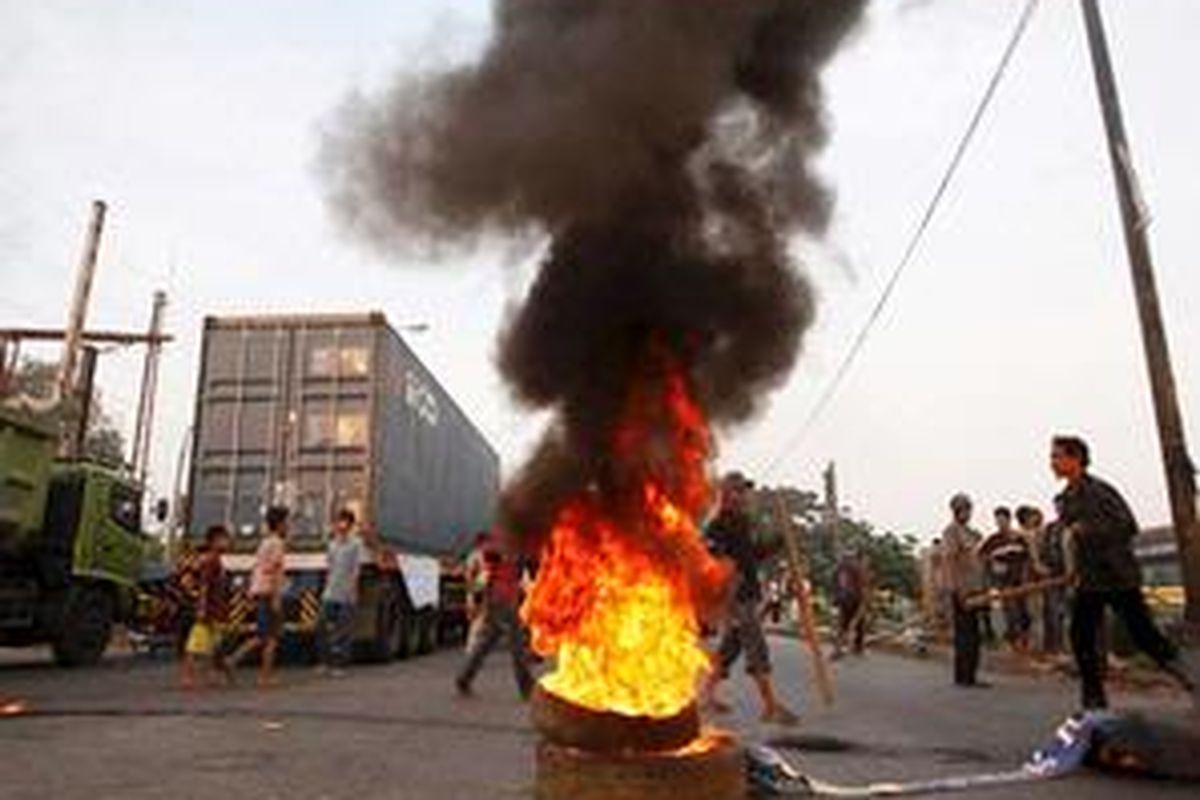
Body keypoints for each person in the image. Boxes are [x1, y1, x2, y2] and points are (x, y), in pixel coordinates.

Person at [1050, 435, 1197, 710]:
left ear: (1075, 459)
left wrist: (1088, 530)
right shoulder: (1066, 499)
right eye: (1053, 457)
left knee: (1144, 635)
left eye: (1057, 456)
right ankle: (1094, 700)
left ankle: (1188, 676)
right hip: (1089, 580)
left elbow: (1127, 525)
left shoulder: (1100, 491)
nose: (1053, 462)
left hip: (1117, 577)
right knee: (1080, 636)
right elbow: (1070, 540)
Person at [702, 472, 799, 725]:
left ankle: (706, 696)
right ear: (725, 494)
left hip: (748, 592)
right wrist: (724, 572)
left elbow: (752, 555)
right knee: (755, 643)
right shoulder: (718, 525)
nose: (743, 496)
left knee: (731, 647)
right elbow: (712, 559)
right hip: (735, 595)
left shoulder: (742, 522)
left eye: (744, 491)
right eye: (738, 491)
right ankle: (770, 705)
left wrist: (778, 542)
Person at [454, 530, 534, 700]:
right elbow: (488, 568)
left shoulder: (513, 553)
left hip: (501, 600)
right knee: (517, 645)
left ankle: (463, 679)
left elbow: (522, 571)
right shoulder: (499, 551)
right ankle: (527, 687)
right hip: (502, 600)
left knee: (486, 642)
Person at [228, 505, 289, 688]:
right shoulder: (277, 543)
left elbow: (259, 569)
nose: (288, 526)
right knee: (270, 638)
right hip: (269, 592)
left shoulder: (264, 543)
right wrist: (276, 596)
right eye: (286, 522)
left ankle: (234, 660)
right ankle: (263, 676)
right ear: (279, 524)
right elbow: (274, 570)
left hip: (259, 590)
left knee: (264, 635)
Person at [942, 492, 988, 688]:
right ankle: (964, 677)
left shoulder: (970, 532)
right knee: (965, 634)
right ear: (955, 510)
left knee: (974, 633)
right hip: (962, 589)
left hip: (975, 588)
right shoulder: (952, 532)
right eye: (963, 509)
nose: (966, 512)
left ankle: (970, 674)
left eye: (968, 508)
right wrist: (957, 588)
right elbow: (950, 561)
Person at [180, 525, 232, 689]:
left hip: (215, 610)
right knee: (195, 646)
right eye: (224, 539)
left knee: (211, 646)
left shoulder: (215, 560)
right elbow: (205, 586)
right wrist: (202, 608)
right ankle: (187, 677)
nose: (228, 543)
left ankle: (208, 676)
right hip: (208, 610)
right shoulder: (211, 561)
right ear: (214, 541)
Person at [317, 509, 367, 677]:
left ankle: (340, 665)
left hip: (347, 594)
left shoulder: (356, 544)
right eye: (339, 521)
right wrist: (326, 588)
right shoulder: (332, 544)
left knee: (342, 631)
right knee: (322, 626)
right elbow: (330, 568)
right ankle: (325, 662)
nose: (341, 524)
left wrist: (354, 590)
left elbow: (356, 570)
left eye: (344, 521)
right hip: (330, 592)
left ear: (350, 524)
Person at [980, 507, 1033, 654]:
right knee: (1010, 611)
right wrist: (992, 565)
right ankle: (1012, 642)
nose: (1000, 523)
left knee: (1024, 611)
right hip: (1003, 582)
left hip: (1020, 580)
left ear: (1009, 520)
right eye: (997, 521)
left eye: (1002, 520)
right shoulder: (993, 540)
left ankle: (1024, 640)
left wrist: (1026, 574)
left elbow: (1028, 557)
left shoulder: (1019, 538)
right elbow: (982, 557)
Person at [831, 549, 870, 659]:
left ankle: (840, 648)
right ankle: (855, 648)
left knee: (843, 625)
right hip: (854, 599)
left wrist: (835, 599)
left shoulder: (838, 569)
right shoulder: (856, 568)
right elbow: (862, 585)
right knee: (858, 624)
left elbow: (835, 586)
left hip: (844, 599)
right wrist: (864, 600)